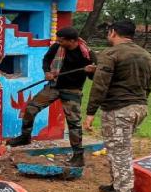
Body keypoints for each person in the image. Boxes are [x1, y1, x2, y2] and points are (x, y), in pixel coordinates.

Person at [84, 20, 151, 192]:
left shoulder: (110, 53)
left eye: (108, 32)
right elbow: (148, 84)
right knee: (120, 148)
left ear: (113, 32)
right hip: (139, 107)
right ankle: (118, 186)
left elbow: (100, 86)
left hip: (119, 109)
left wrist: (90, 113)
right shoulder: (146, 54)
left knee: (119, 152)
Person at [7, 27, 97, 167]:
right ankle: (25, 137)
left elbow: (94, 76)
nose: (58, 42)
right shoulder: (57, 47)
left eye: (61, 40)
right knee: (31, 108)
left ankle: (78, 156)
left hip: (72, 90)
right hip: (53, 86)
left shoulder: (87, 54)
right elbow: (46, 59)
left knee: (73, 123)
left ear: (72, 41)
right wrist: (47, 72)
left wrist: (91, 71)